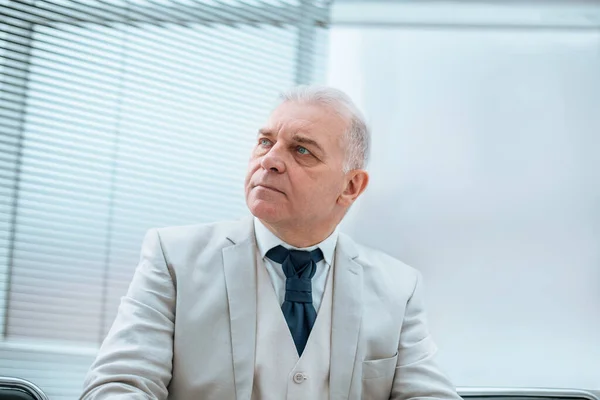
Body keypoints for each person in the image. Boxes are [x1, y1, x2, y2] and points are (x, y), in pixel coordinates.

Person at [80, 86, 461, 400]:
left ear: (350, 186)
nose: (270, 161)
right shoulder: (173, 257)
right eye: (265, 141)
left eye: (301, 150)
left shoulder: (399, 287)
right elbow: (118, 386)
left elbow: (429, 395)